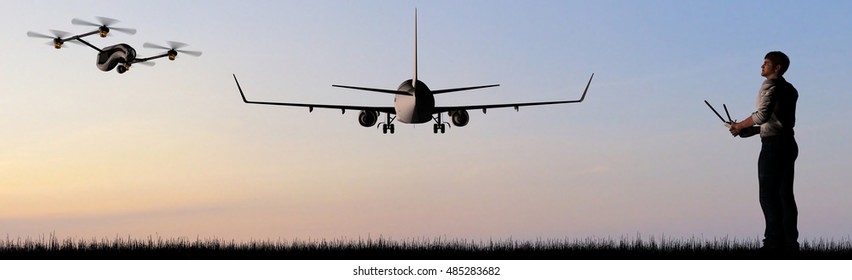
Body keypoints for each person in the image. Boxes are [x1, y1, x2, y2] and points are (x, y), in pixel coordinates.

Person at [728, 51, 799, 257]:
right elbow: (777, 121)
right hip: (787, 143)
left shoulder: (770, 86)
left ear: (777, 68)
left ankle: (773, 244)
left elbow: (762, 115)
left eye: (766, 63)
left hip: (773, 146)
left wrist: (740, 125)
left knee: (768, 195)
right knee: (785, 195)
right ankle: (790, 244)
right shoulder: (790, 89)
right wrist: (751, 131)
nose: (762, 66)